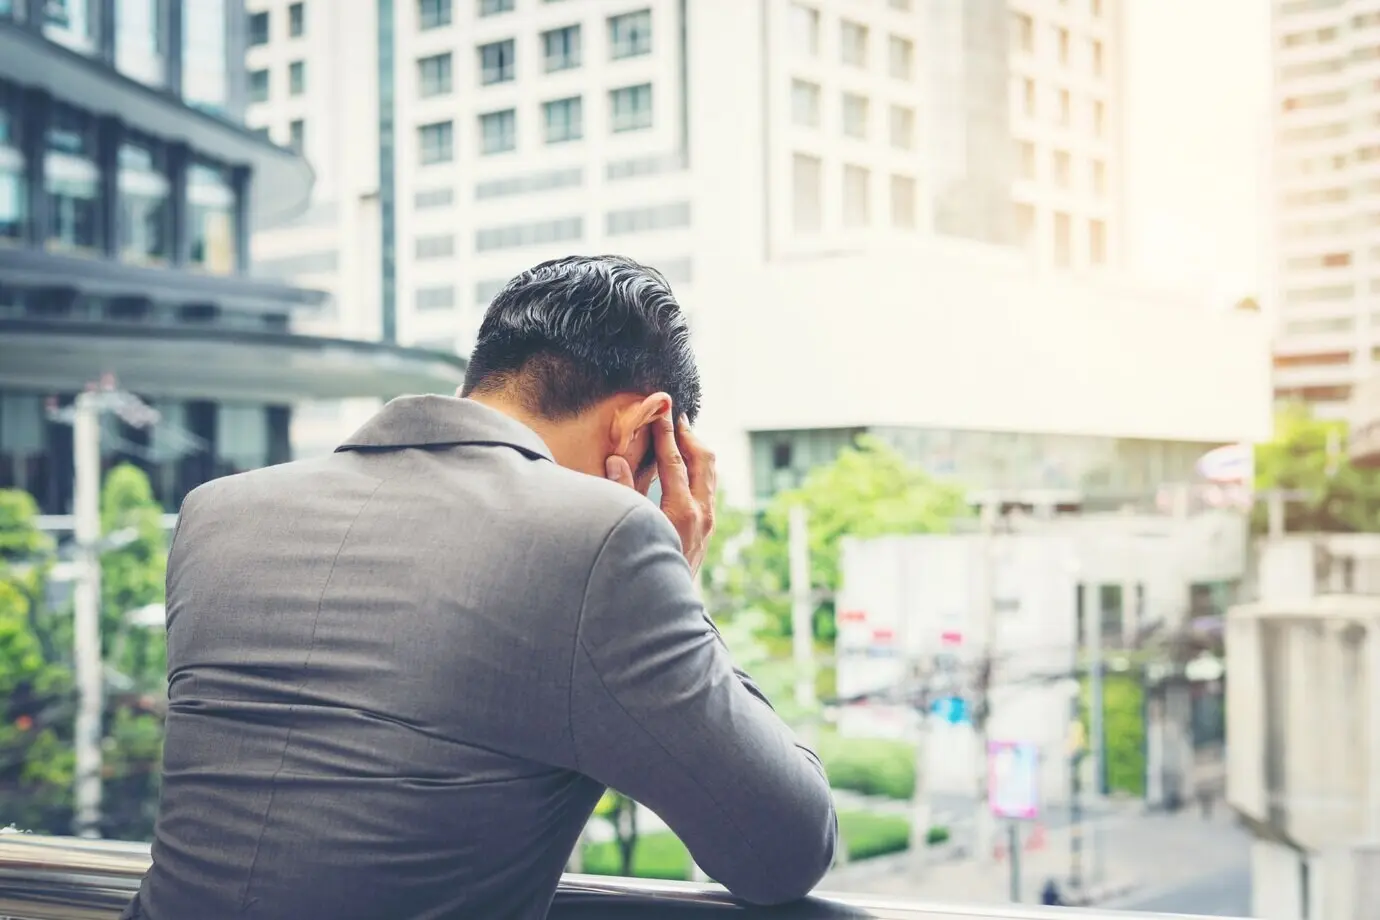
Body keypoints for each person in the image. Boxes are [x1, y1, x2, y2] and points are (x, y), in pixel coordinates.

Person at [123, 255, 838, 920]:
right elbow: (781, 850)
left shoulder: (218, 512)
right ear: (649, 424)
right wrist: (679, 578)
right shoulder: (599, 539)